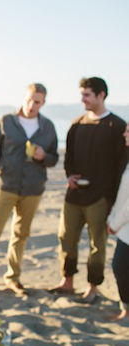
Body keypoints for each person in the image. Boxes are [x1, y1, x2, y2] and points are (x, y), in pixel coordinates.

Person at [49, 77, 127, 303]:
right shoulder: (77, 124)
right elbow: (69, 158)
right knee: (66, 238)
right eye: (81, 94)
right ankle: (67, 282)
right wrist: (70, 175)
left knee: (97, 244)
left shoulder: (118, 126)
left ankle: (93, 288)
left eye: (87, 95)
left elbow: (122, 166)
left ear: (101, 95)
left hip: (100, 198)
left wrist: (111, 199)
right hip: (73, 195)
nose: (82, 99)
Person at [0, 83, 59, 295]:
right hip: (6, 185)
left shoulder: (48, 127)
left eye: (36, 101)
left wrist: (44, 156)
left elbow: (54, 158)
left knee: (21, 234)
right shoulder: (6, 122)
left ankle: (13, 277)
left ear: (43, 102)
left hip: (33, 188)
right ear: (24, 98)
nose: (31, 104)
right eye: (29, 99)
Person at [107, 122, 129, 322]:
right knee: (121, 267)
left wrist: (114, 224)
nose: (125, 133)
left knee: (120, 266)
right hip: (124, 227)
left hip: (125, 226)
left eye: (128, 131)